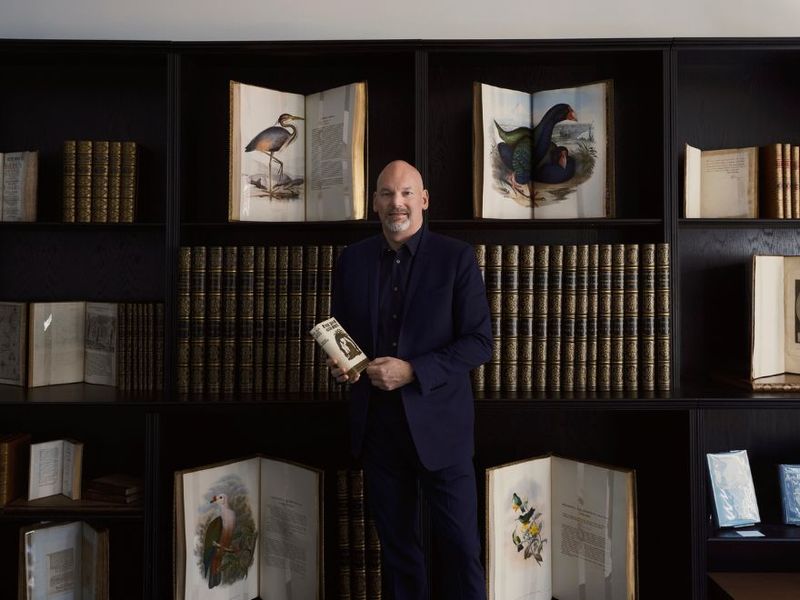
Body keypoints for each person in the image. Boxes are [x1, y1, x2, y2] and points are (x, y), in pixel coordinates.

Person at [328, 160, 492, 600]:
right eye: (385, 193)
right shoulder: (353, 260)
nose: (395, 203)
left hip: (442, 430)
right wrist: (343, 363)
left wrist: (414, 370)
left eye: (405, 193)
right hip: (378, 429)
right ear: (375, 202)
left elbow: (480, 342)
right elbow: (343, 336)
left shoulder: (456, 258)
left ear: (423, 200)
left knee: (461, 550)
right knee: (399, 553)